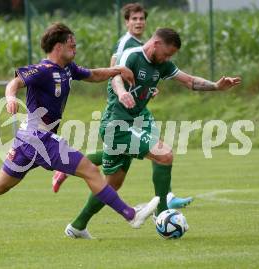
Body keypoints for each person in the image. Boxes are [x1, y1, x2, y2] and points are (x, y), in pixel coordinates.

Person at [0, 23, 160, 246]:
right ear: (58, 46)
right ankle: (131, 215)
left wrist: (118, 70)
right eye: (72, 45)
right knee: (90, 170)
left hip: (28, 140)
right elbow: (14, 83)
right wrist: (11, 98)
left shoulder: (68, 69)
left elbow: (93, 75)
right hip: (38, 138)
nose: (75, 48)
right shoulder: (42, 70)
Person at [64, 27, 241, 239]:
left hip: (133, 124)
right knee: (164, 154)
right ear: (155, 43)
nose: (167, 58)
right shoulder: (132, 55)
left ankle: (77, 226)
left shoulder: (162, 65)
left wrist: (216, 86)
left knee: (112, 185)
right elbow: (116, 76)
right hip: (116, 125)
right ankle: (162, 212)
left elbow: (189, 81)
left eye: (170, 56)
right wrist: (121, 94)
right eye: (166, 53)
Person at [52, 3, 193, 210]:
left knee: (144, 147)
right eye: (133, 19)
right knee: (153, 148)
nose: (138, 22)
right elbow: (114, 70)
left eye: (141, 19)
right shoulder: (127, 44)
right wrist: (121, 93)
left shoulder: (145, 45)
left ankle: (165, 197)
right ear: (126, 22)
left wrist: (146, 89)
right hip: (123, 105)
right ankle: (165, 199)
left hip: (137, 103)